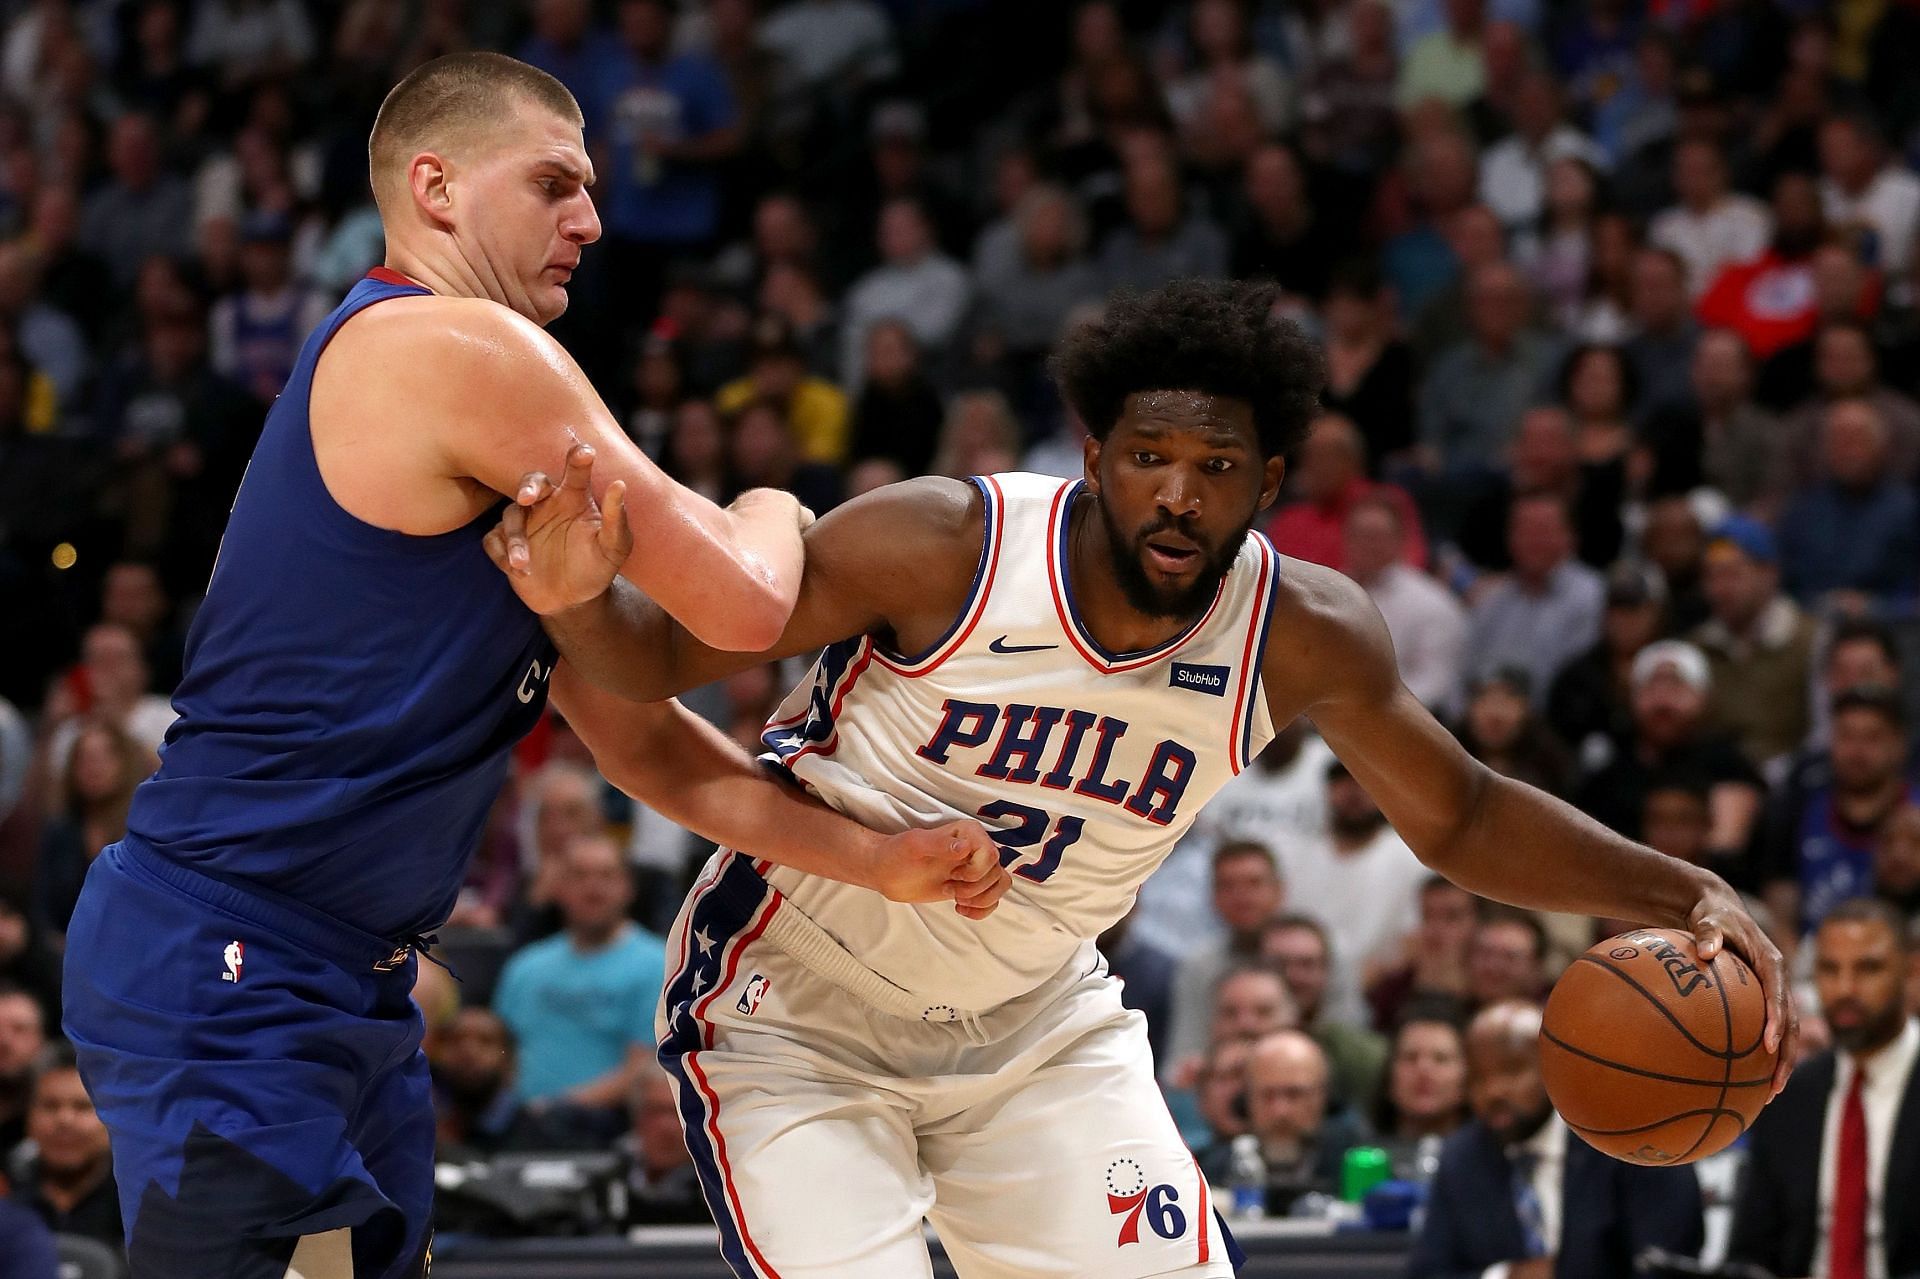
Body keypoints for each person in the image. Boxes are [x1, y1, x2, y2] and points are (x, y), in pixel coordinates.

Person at [495, 277, 1791, 1277]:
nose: (1179, 494)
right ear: (1096, 451)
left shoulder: (1306, 631)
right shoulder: (948, 543)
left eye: (1219, 466)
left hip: (1032, 1026)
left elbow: (1459, 812)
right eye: (1152, 455)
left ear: (1269, 482)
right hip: (793, 1015)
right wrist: (566, 594)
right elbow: (655, 654)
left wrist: (1678, 891)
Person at [61, 53, 1006, 1279]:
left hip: (344, 977)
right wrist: (776, 500)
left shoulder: (493, 463)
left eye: (593, 189)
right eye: (555, 183)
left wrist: (879, 861)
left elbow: (644, 742)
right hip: (229, 953)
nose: (593, 221)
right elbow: (745, 594)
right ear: (437, 187)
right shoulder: (454, 347)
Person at [1410, 1001, 1704, 1279]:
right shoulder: (1462, 1157)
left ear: (1554, 1064)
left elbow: (1666, 1265)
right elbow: (1428, 1272)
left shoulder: (1631, 1139)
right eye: (1478, 1077)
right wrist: (1508, 1276)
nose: (1493, 1091)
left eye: (1512, 1070)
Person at [1731, 897, 1920, 1279]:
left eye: (1868, 968)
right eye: (1829, 969)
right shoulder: (1789, 1094)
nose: (1845, 988)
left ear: (1911, 970)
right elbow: (1752, 1252)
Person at [493, 834, 666, 1109]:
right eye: (579, 875)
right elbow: (500, 1056)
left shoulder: (660, 965)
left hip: (606, 1128)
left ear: (628, 887)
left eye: (606, 875)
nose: (593, 888)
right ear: (558, 887)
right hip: (520, 1126)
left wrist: (557, 1108)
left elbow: (645, 1068)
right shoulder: (525, 966)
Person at [1240, 1029, 1369, 1215]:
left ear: (1324, 1095)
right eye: (1267, 1095)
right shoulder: (1212, 1170)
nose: (1280, 1111)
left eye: (1295, 1094)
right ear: (1247, 1099)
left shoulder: (1358, 1162)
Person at [7, 1048, 123, 1251]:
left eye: (82, 1107)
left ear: (112, 1120)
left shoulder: (140, 1207)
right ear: (28, 1117)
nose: (64, 1121)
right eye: (50, 1106)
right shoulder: (5, 1193)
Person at [1369, 1008, 1470, 1177]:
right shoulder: (1362, 1158)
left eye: (1441, 1058)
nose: (1424, 1070)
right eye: (1410, 1057)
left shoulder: (1491, 1161)